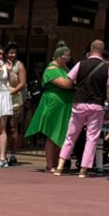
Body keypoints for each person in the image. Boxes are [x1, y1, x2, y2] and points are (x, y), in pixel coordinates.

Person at [58, 39, 109, 177]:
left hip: (79, 102)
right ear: (102, 51)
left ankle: (59, 166)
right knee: (92, 137)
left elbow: (69, 81)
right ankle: (84, 169)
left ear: (90, 49)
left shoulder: (80, 64)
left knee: (71, 135)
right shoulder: (107, 68)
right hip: (96, 105)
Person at [26, 44, 75, 174]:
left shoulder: (65, 68)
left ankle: (58, 163)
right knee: (52, 133)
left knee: (61, 133)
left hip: (64, 104)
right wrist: (75, 82)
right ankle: (50, 164)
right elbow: (65, 84)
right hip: (54, 103)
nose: (69, 58)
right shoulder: (52, 69)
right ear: (59, 56)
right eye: (66, 56)